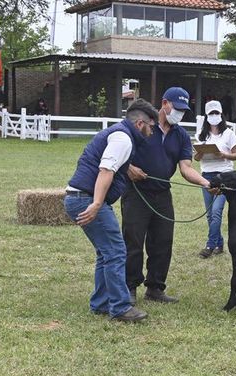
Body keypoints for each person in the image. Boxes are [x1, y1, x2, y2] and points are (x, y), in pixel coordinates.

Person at [63, 99, 158, 322]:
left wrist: (128, 168)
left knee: (106, 253)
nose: (152, 131)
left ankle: (101, 303)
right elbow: (105, 170)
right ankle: (121, 307)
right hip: (86, 198)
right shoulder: (123, 138)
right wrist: (96, 204)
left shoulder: (119, 134)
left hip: (77, 197)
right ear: (140, 124)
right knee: (116, 251)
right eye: (151, 126)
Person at [122, 87, 211, 305]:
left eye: (183, 110)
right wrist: (128, 168)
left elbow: (186, 168)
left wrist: (205, 183)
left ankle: (155, 287)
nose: (179, 113)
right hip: (137, 193)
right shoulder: (141, 126)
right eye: (177, 108)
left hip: (162, 194)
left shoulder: (180, 135)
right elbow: (118, 152)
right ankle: (130, 287)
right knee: (133, 240)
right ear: (164, 103)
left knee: (163, 241)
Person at [195, 100, 236, 258]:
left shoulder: (228, 134)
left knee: (216, 212)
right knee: (209, 213)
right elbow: (195, 158)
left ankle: (210, 244)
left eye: (217, 113)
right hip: (206, 176)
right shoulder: (201, 135)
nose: (214, 116)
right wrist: (199, 154)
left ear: (221, 114)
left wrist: (224, 155)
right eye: (211, 113)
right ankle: (219, 243)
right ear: (207, 116)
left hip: (223, 176)